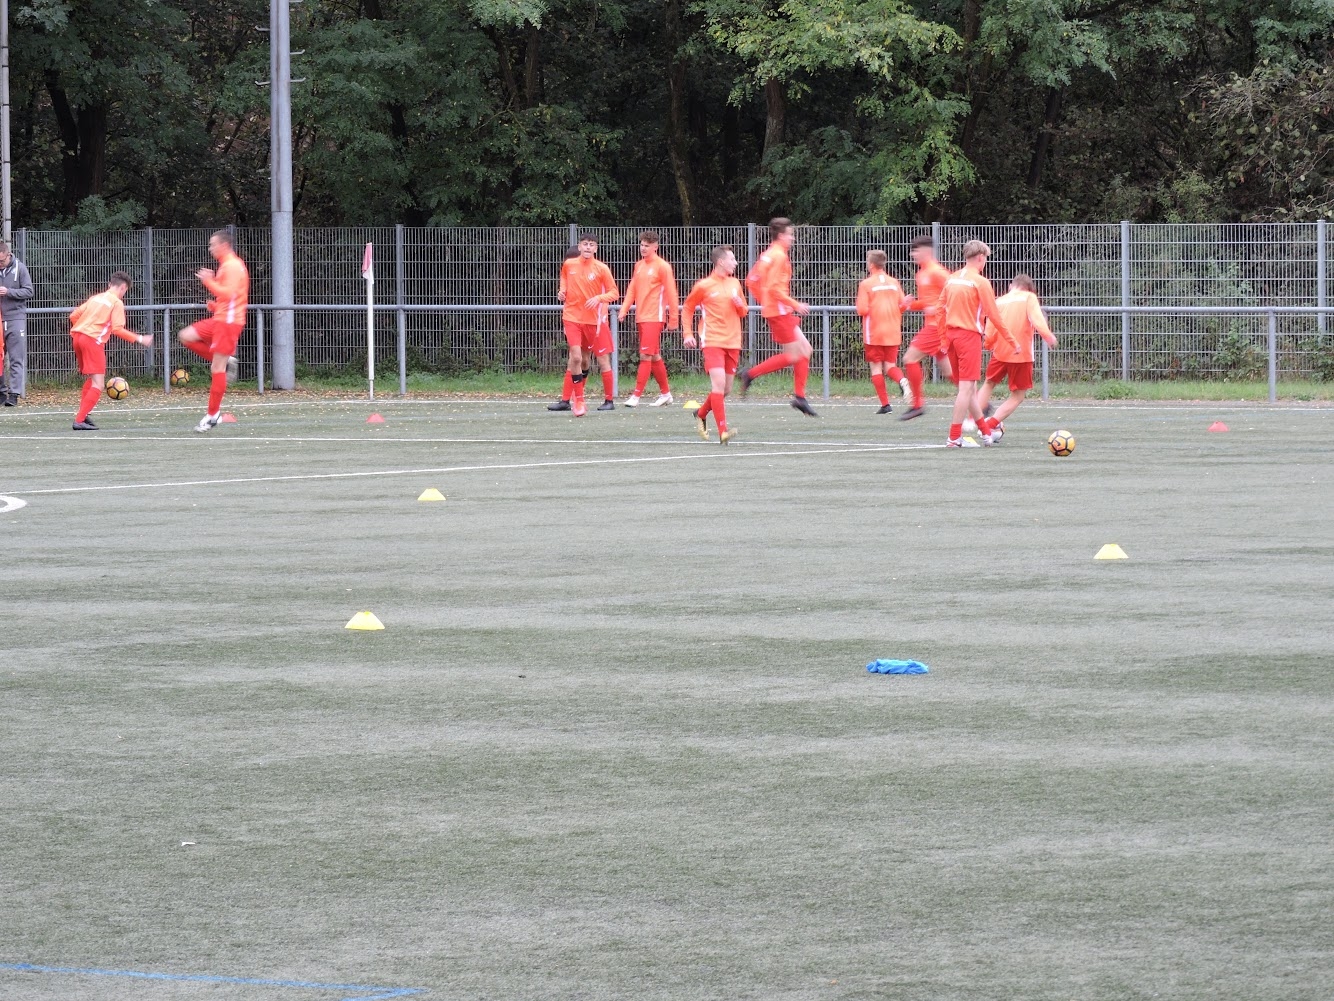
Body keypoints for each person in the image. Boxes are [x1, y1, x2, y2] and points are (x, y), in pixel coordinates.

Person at [939, 240, 1017, 448]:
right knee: (966, 389)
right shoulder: (980, 282)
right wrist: (1011, 340)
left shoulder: (951, 279)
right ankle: (954, 437)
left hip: (952, 336)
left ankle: (985, 431)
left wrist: (943, 339)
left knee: (970, 388)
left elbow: (940, 309)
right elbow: (994, 315)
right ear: (981, 257)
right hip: (969, 337)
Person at [738, 217, 818, 417]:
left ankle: (800, 397)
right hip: (780, 311)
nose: (792, 238)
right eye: (790, 235)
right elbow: (774, 288)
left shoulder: (768, 254)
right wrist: (795, 304)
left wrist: (765, 300)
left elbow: (751, 280)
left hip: (778, 309)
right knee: (794, 355)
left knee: (806, 350)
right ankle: (750, 374)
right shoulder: (779, 256)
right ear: (781, 235)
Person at [178, 229, 249, 433]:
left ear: (224, 245)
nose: (210, 248)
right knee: (186, 336)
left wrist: (208, 281)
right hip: (220, 318)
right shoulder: (227, 265)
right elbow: (232, 297)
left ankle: (212, 415)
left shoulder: (232, 265)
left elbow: (229, 294)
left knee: (216, 368)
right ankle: (226, 360)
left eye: (212, 244)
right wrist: (216, 306)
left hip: (228, 322)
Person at [977, 274, 1058, 442]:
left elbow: (991, 326)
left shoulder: (999, 301)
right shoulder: (1029, 297)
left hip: (1000, 352)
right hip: (1021, 355)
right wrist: (1048, 336)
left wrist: (988, 344)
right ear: (1029, 289)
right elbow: (1037, 319)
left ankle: (974, 420)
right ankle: (989, 425)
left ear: (1010, 286)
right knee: (1017, 396)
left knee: (989, 383)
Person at [68, 271, 153, 430]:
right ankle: (79, 420)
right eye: (125, 291)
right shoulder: (116, 303)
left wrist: (85, 327)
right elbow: (117, 329)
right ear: (123, 288)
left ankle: (83, 415)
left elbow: (74, 316)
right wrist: (140, 338)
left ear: (109, 285)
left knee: (92, 378)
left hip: (78, 337)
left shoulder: (96, 298)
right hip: (92, 341)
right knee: (98, 384)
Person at [682, 244, 748, 444]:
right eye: (732, 259)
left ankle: (701, 413)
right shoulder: (704, 285)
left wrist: (740, 305)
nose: (735, 263)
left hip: (733, 341)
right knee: (718, 385)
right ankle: (723, 431)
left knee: (726, 389)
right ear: (721, 262)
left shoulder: (735, 283)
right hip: (712, 340)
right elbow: (688, 308)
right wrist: (687, 333)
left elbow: (743, 311)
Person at [552, 235, 618, 416]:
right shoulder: (569, 265)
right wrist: (562, 292)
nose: (588, 247)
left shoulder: (601, 268)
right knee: (575, 357)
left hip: (595, 321)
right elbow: (564, 280)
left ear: (596, 248)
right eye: (585, 244)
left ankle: (609, 400)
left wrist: (599, 298)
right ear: (579, 246)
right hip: (572, 317)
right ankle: (578, 401)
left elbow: (614, 292)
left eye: (591, 245)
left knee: (597, 360)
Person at [619, 231, 680, 408]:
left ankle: (636, 396)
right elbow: (632, 289)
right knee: (654, 355)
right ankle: (666, 394)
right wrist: (624, 309)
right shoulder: (639, 265)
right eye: (642, 245)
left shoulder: (663, 266)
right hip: (642, 316)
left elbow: (672, 293)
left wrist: (673, 319)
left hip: (655, 316)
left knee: (645, 354)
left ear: (655, 247)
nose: (643, 248)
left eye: (647, 245)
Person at [898, 235, 954, 421]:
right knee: (949, 372)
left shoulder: (938, 272)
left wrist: (939, 308)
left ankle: (917, 405)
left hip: (937, 327)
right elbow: (926, 302)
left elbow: (955, 294)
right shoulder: (921, 274)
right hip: (933, 326)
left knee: (909, 358)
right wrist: (910, 304)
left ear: (926, 250)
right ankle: (980, 402)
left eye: (915, 250)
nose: (912, 254)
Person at [855, 250, 909, 414]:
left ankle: (886, 404)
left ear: (871, 264)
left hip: (874, 332)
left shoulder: (866, 284)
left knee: (876, 368)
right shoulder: (894, 282)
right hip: (893, 330)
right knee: (890, 366)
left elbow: (862, 310)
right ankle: (902, 379)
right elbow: (903, 305)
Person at [0, 241, 34, 407]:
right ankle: (1, 392)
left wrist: (9, 292)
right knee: (0, 358)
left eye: (1, 261)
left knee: (16, 357)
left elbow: (29, 291)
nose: (0, 264)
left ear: (8, 255)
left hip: (15, 318)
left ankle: (13, 394)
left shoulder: (20, 268)